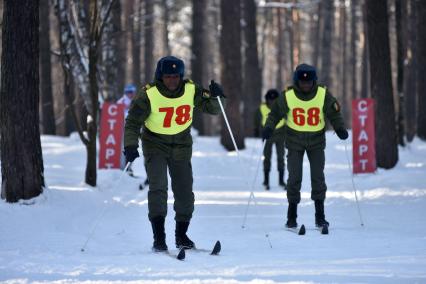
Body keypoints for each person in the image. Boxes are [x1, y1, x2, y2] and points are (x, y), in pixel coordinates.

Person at [123, 56, 226, 252]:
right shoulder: (149, 94)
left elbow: (214, 109)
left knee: (185, 192)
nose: (172, 81)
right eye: (168, 76)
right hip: (155, 144)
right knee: (159, 187)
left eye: (176, 76)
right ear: (160, 76)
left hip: (181, 145)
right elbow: (133, 122)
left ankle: (181, 235)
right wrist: (130, 145)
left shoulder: (191, 89)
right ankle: (159, 238)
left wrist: (217, 96)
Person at [262, 63, 348, 229]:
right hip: (294, 141)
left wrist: (339, 128)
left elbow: (334, 112)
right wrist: (269, 127)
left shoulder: (323, 94)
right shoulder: (288, 96)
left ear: (314, 81)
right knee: (294, 177)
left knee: (318, 176)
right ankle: (291, 215)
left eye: (309, 82)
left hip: (316, 142)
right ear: (297, 81)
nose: (306, 85)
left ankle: (320, 216)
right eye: (303, 82)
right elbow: (275, 113)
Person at [254, 89, 286, 190]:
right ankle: (266, 180)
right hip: (267, 134)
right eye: (270, 99)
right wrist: (256, 129)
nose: (272, 102)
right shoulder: (262, 108)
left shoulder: (282, 107)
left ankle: (281, 181)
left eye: (274, 100)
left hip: (280, 134)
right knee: (267, 157)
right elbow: (256, 118)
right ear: (267, 99)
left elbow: (288, 118)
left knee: (281, 157)